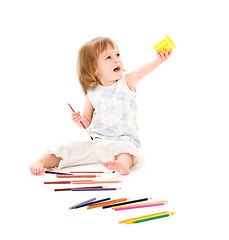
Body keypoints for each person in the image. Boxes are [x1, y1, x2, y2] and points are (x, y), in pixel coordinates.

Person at [29, 37, 172, 175]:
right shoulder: (92, 92)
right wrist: (79, 120)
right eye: (108, 57)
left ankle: (122, 165)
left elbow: (141, 73)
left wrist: (158, 61)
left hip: (123, 140)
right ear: (94, 69)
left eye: (117, 54)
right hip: (97, 142)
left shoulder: (125, 82)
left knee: (127, 152)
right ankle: (43, 161)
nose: (116, 59)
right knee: (70, 150)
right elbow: (86, 121)